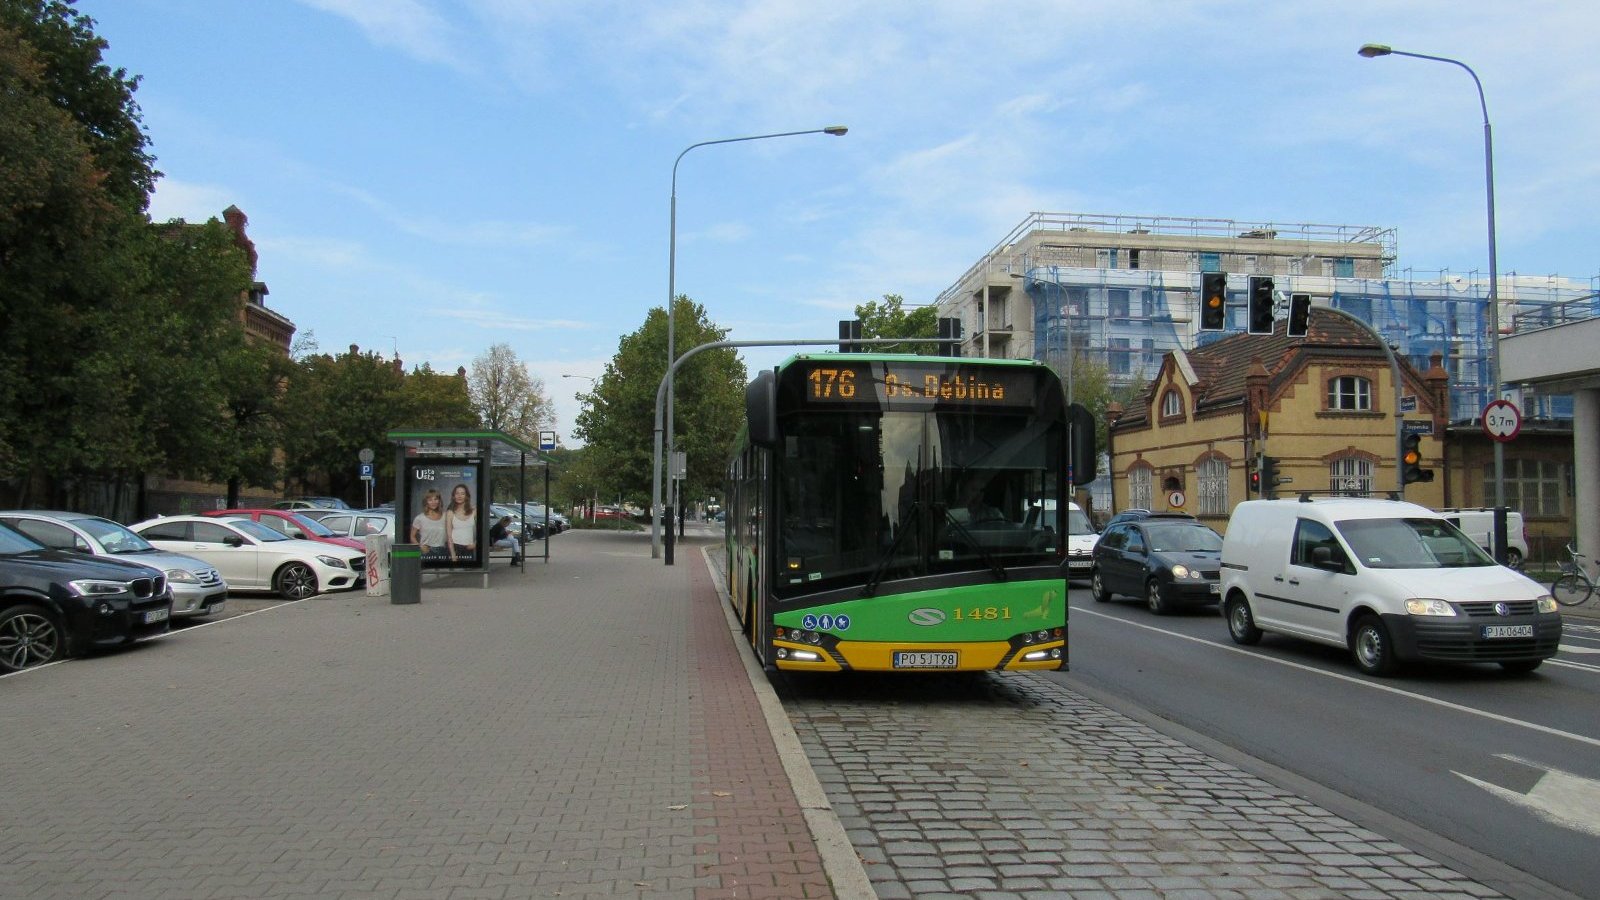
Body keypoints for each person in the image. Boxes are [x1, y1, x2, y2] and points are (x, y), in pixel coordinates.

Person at [410, 489, 447, 560]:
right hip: (427, 552)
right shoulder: (420, 518)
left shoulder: (445, 516)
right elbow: (412, 536)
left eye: (435, 499)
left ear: (439, 501)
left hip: (443, 551)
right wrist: (420, 546)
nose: (433, 502)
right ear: (426, 502)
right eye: (430, 500)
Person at [446, 483, 476, 562]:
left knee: (469, 573)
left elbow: (483, 529)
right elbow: (449, 536)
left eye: (462, 493)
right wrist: (453, 555)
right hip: (455, 548)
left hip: (469, 547)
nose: (459, 496)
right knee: (456, 574)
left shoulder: (474, 511)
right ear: (454, 496)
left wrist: (476, 543)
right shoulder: (450, 512)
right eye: (457, 493)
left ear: (466, 496)